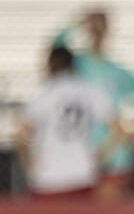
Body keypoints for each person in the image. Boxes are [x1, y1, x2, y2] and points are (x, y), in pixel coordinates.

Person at [53, 9, 134, 195]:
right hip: (80, 145)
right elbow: (55, 50)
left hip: (113, 149)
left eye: (102, 25)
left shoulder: (117, 71)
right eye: (94, 25)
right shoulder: (77, 63)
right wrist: (76, 22)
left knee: (108, 209)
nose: (98, 30)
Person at [16, 46, 117, 198]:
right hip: (82, 175)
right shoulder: (89, 92)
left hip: (47, 178)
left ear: (50, 64)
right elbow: (119, 129)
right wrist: (98, 156)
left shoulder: (43, 95)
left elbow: (21, 134)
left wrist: (28, 164)